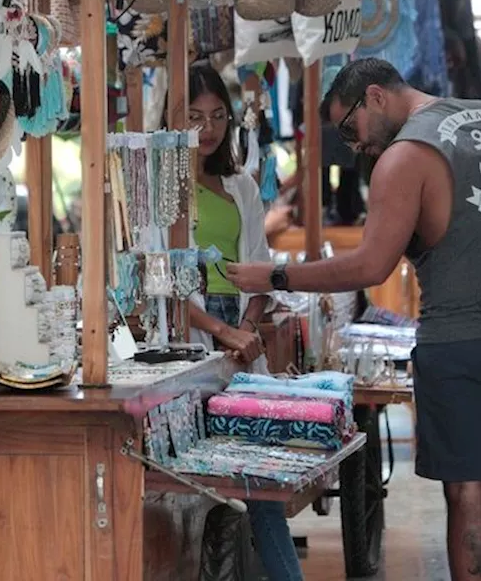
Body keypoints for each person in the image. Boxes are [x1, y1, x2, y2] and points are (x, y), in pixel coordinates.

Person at [226, 58, 481, 581]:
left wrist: (274, 277)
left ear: (376, 97)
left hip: (459, 343)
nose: (355, 146)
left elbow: (371, 264)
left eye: (351, 128)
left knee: (469, 491)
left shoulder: (406, 156)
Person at [183, 63, 303, 581]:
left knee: (261, 479)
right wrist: (220, 330)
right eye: (193, 116)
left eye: (216, 116)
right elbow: (158, 278)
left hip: (240, 343)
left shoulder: (241, 186)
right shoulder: (159, 184)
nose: (207, 129)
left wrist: (247, 330)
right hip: (184, 337)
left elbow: (257, 268)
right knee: (183, 483)